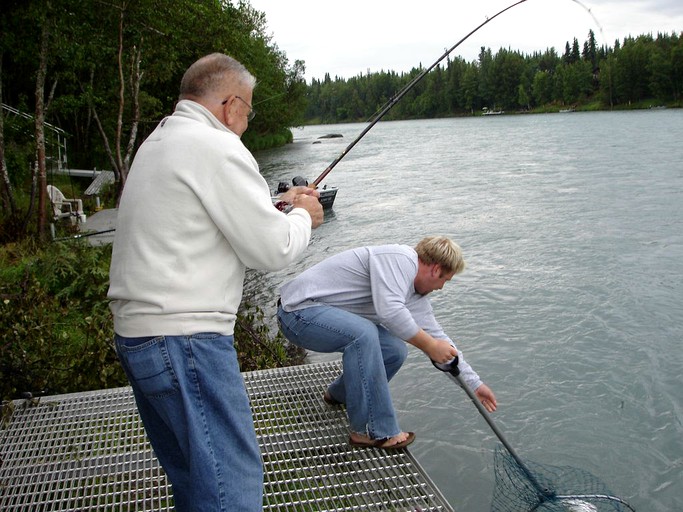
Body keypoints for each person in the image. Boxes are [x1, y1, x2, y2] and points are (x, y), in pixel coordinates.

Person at [108, 53, 323, 512]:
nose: (246, 121)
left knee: (194, 484)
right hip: (186, 342)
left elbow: (204, 216)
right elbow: (272, 250)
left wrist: (277, 203)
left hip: (140, 340)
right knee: (231, 491)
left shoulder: (162, 140)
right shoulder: (219, 146)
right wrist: (304, 215)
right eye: (248, 110)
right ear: (229, 105)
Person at [276, 236, 497, 450]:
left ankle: (338, 395)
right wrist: (429, 346)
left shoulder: (414, 295)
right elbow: (390, 312)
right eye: (444, 281)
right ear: (436, 269)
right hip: (296, 313)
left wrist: (474, 385)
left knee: (394, 349)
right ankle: (374, 432)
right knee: (364, 335)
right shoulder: (399, 259)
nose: (440, 288)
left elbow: (441, 341)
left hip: (318, 318)